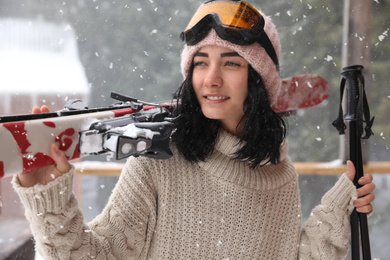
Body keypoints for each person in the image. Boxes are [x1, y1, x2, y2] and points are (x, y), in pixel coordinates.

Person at [12, 0, 376, 259]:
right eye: (201, 63)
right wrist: (50, 202)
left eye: (231, 63)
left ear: (258, 81)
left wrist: (339, 209)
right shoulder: (157, 164)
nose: (212, 79)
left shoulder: (280, 176)